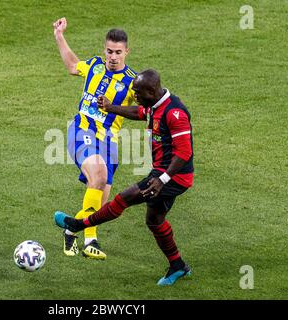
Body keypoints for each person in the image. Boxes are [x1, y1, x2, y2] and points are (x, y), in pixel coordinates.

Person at [54, 69, 194, 286]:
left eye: (138, 93)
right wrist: (111, 108)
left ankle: (76, 225)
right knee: (154, 221)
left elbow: (184, 153)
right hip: (161, 173)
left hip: (172, 177)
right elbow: (138, 112)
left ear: (151, 90)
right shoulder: (154, 105)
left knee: (123, 199)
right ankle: (178, 266)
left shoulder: (175, 113)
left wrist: (162, 180)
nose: (134, 96)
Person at [52, 17, 137, 260]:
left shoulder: (133, 81)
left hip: (109, 143)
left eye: (118, 52)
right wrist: (59, 36)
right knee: (98, 176)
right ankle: (91, 241)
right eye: (109, 51)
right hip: (82, 132)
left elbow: (141, 111)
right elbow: (72, 66)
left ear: (126, 52)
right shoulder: (95, 66)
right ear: (104, 50)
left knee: (100, 206)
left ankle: (70, 228)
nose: (113, 57)